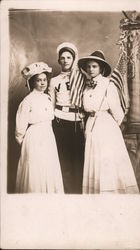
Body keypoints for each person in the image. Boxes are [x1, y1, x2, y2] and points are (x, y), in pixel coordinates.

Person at [78, 50, 140, 194]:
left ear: (101, 68)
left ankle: (110, 192)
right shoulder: (86, 85)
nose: (90, 69)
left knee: (106, 159)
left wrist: (110, 128)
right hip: (91, 124)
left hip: (105, 126)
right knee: (95, 160)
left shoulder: (108, 84)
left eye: (94, 66)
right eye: (88, 67)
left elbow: (118, 112)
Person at [15, 62, 64, 193]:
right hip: (35, 137)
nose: (42, 83)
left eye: (44, 80)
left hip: (48, 135)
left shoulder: (48, 98)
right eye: (38, 80)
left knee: (48, 165)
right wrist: (24, 141)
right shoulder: (27, 101)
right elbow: (20, 127)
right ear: (32, 82)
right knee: (36, 167)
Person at [48, 42, 85, 194]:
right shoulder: (54, 80)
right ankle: (66, 192)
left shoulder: (81, 77)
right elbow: (51, 102)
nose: (65, 60)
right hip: (59, 120)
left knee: (78, 159)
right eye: (62, 58)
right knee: (63, 159)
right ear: (58, 61)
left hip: (76, 120)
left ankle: (78, 192)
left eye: (69, 57)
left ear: (74, 59)